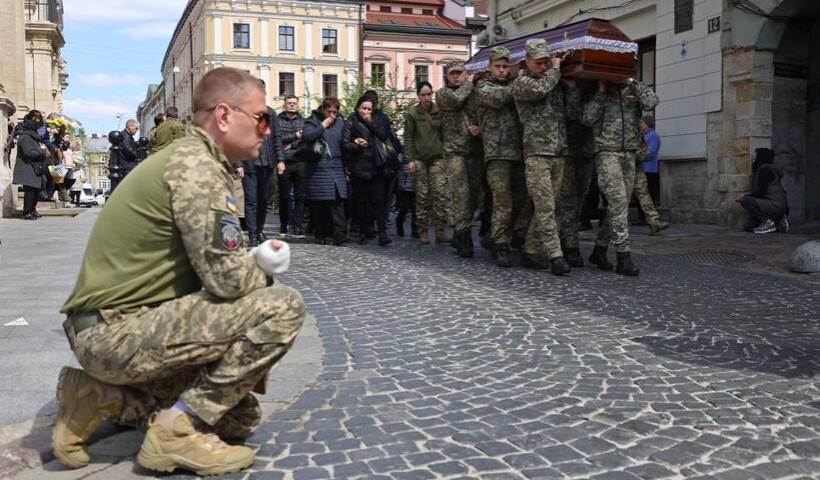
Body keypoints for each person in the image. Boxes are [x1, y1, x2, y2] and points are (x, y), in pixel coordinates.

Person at [53, 67, 306, 476]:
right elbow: (228, 281)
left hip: (112, 327)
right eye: (261, 118)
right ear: (224, 116)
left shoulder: (196, 159)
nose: (266, 130)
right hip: (116, 332)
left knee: (238, 417)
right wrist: (262, 267)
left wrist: (250, 261)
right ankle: (176, 431)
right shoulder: (195, 166)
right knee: (282, 307)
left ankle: (98, 396)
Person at [513, 38, 579, 275]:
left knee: (550, 206)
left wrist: (570, 88)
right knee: (545, 207)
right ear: (527, 62)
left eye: (546, 62)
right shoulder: (522, 83)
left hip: (558, 152)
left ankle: (530, 250)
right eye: (539, 62)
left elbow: (571, 113)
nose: (543, 66)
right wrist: (556, 71)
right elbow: (539, 91)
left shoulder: (554, 84)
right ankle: (556, 256)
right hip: (537, 153)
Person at [582, 77, 659, 276]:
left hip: (630, 153)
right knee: (617, 201)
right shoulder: (598, 89)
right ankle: (623, 256)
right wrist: (600, 90)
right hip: (607, 152)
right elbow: (587, 118)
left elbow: (652, 102)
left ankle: (599, 250)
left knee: (620, 205)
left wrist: (633, 83)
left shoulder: (634, 89)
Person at [475, 46, 528, 268]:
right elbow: (499, 98)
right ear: (490, 67)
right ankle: (501, 244)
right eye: (498, 66)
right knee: (502, 201)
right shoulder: (483, 86)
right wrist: (520, 83)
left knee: (520, 200)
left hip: (518, 150)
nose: (502, 71)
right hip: (496, 153)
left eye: (506, 67)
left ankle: (503, 235)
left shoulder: (514, 85)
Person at [436, 60, 481, 258]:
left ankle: (460, 233)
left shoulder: (474, 92)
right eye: (453, 73)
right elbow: (456, 100)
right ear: (447, 75)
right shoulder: (443, 93)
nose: (456, 76)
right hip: (455, 151)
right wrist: (470, 84)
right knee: (461, 196)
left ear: (465, 73)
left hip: (475, 151)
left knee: (473, 198)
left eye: (460, 73)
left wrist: (479, 128)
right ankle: (465, 239)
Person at [404, 81, 450, 245]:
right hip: (420, 160)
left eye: (429, 94)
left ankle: (440, 230)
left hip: (437, 158)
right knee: (422, 196)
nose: (426, 98)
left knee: (439, 195)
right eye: (423, 95)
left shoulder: (439, 111)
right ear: (418, 96)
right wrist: (410, 160)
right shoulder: (413, 113)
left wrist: (445, 154)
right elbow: (408, 137)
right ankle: (422, 230)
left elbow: (445, 134)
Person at [343, 95, 392, 246]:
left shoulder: (377, 118)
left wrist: (370, 121)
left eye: (369, 109)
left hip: (376, 165)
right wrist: (356, 143)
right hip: (358, 166)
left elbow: (384, 135)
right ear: (358, 108)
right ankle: (363, 232)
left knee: (378, 200)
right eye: (363, 108)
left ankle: (382, 233)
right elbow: (344, 143)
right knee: (362, 201)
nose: (366, 111)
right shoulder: (351, 120)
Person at [558, 82, 596, 267]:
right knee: (567, 201)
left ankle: (567, 240)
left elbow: (591, 117)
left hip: (586, 151)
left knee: (580, 201)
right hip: (566, 151)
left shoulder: (594, 88)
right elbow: (572, 113)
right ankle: (569, 247)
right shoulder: (561, 86)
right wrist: (573, 88)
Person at [238, 92, 283, 246]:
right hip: (249, 164)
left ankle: (259, 230)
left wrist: (280, 160)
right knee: (251, 201)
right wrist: (238, 164)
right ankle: (252, 234)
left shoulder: (270, 113)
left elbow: (277, 137)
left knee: (263, 200)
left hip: (267, 163)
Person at [303, 97, 349, 245]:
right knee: (318, 205)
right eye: (329, 111)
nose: (332, 115)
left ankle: (339, 236)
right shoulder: (312, 121)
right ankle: (320, 234)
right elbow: (307, 136)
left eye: (335, 112)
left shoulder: (341, 123)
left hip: (336, 167)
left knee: (337, 204)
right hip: (318, 168)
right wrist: (322, 126)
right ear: (323, 109)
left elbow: (345, 143)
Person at [738, 147, 789, 234]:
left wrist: (744, 196)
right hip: (773, 204)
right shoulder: (764, 170)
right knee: (749, 227)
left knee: (744, 201)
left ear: (761, 157)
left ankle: (769, 223)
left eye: (755, 156)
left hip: (775, 205)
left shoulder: (765, 171)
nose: (753, 159)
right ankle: (778, 223)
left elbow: (761, 193)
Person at [277, 95, 307, 235]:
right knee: (284, 196)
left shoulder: (303, 121)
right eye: (289, 103)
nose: (292, 105)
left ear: (298, 105)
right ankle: (284, 224)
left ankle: (298, 225)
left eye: (294, 103)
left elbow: (305, 139)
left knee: (300, 196)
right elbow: (277, 139)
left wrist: (291, 144)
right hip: (284, 162)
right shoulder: (278, 121)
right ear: (285, 105)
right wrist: (295, 136)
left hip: (300, 161)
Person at [634, 114, 669, 233]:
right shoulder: (642, 135)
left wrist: (636, 157)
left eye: (641, 122)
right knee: (641, 193)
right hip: (641, 168)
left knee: (647, 193)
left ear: (647, 124)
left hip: (649, 168)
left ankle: (647, 218)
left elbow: (650, 153)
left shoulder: (652, 135)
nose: (639, 124)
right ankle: (642, 218)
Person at [12, 110, 48, 219]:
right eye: (35, 119)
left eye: (39, 119)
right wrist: (42, 152)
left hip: (34, 167)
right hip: (27, 167)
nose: (37, 122)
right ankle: (27, 212)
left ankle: (32, 210)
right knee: (30, 191)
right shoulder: (25, 137)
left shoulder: (34, 137)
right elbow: (28, 153)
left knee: (36, 190)